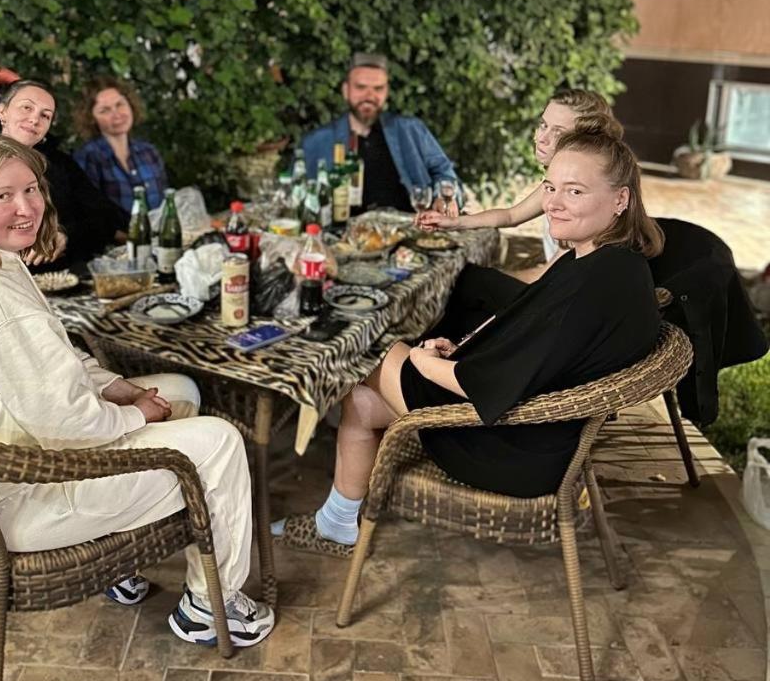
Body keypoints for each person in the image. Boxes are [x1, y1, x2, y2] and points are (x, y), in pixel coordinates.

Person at [0, 133, 274, 647]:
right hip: (24, 495)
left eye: (31, 189)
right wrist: (137, 415)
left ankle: (123, 562)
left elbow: (53, 359)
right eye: (3, 196)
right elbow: (65, 423)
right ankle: (211, 608)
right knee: (221, 444)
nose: (27, 207)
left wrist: (119, 387)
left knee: (180, 388)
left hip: (14, 457)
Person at [274, 118, 663, 553]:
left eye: (575, 191)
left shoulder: (595, 281)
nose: (553, 203)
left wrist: (426, 363)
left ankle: (323, 488)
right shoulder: (609, 262)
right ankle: (337, 524)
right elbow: (533, 339)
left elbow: (497, 381)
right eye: (550, 187)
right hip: (541, 432)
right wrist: (460, 349)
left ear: (620, 199)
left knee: (363, 348)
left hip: (511, 446)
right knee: (362, 401)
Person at [418, 89, 621, 334]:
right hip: (559, 296)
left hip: (566, 313)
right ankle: (441, 348)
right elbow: (511, 216)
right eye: (543, 125)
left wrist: (497, 275)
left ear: (582, 141)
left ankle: (423, 353)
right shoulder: (563, 183)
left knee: (472, 281)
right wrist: (454, 222)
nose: (542, 138)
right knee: (470, 301)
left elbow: (547, 277)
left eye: (558, 132)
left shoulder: (580, 197)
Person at [0, 66, 126, 271]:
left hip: (60, 276)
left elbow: (105, 216)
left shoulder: (60, 163)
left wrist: (65, 235)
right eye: (26, 108)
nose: (35, 119)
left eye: (45, 115)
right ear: (3, 112)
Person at [302, 53, 463, 213]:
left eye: (378, 89)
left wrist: (444, 198)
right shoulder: (316, 142)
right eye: (361, 87)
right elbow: (299, 198)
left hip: (411, 226)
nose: (369, 96)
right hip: (342, 229)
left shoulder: (410, 130)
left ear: (386, 92)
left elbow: (446, 175)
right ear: (346, 90)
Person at [73, 77, 167, 214]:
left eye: (120, 104)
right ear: (91, 119)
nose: (117, 115)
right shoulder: (89, 157)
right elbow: (88, 214)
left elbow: (165, 203)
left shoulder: (148, 152)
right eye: (105, 110)